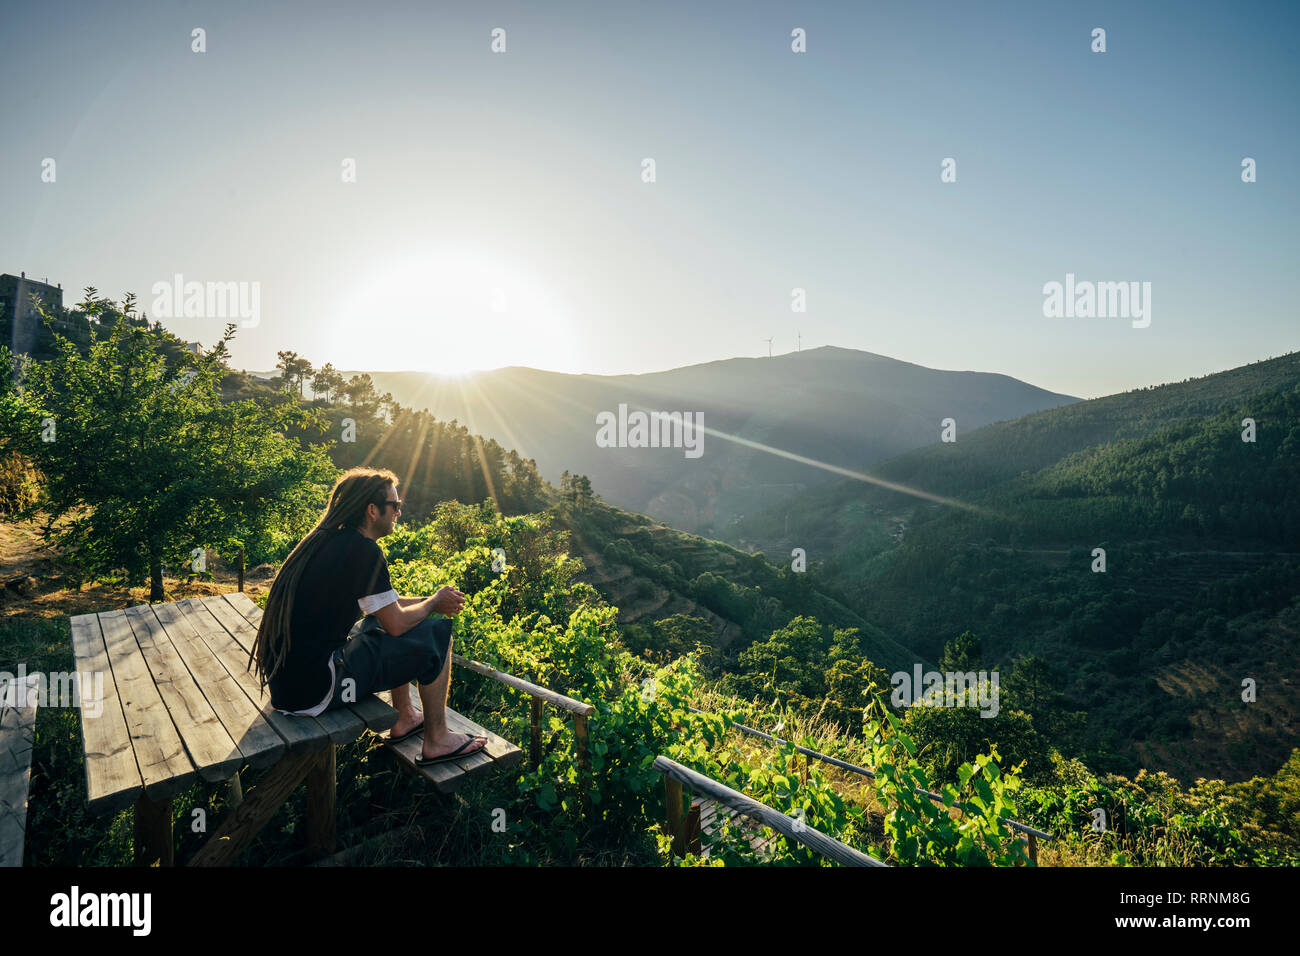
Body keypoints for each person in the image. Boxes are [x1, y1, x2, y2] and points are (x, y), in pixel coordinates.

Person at [249, 466, 486, 765]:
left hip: (290, 687)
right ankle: (437, 740)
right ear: (372, 511)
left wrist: (431, 600)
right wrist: (433, 604)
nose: (399, 512)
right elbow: (398, 624)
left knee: (379, 622)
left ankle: (405, 717)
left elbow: (387, 606)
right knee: (437, 633)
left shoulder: (329, 541)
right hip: (318, 689)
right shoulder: (363, 552)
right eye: (395, 506)